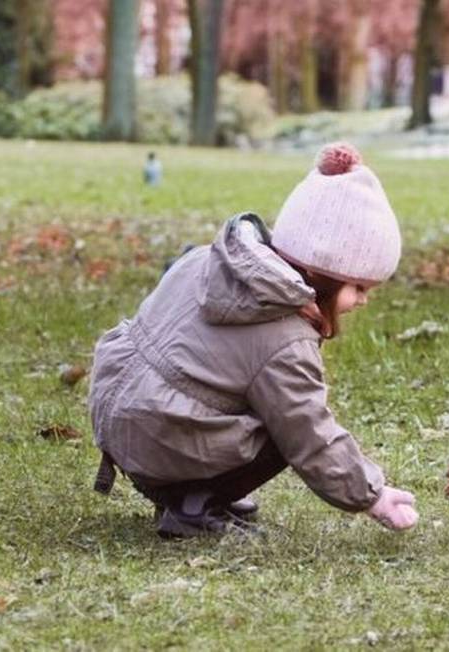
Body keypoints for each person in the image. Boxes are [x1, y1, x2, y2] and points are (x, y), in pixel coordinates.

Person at [89, 142, 419, 538]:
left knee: (263, 399)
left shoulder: (209, 259)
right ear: (324, 273)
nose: (363, 301)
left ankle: (195, 487)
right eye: (359, 286)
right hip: (159, 438)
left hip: (120, 416)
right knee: (284, 420)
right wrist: (372, 495)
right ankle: (192, 504)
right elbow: (309, 431)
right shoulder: (283, 339)